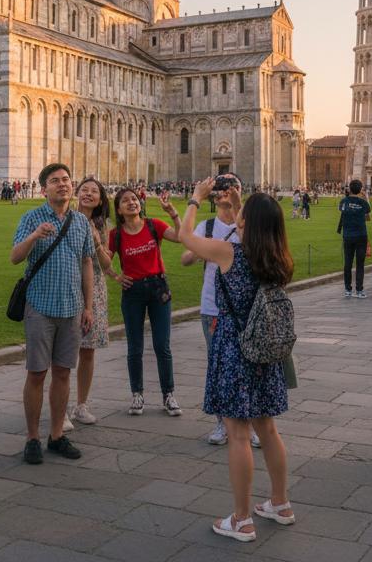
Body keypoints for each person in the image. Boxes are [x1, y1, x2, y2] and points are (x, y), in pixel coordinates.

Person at [178, 178, 294, 543]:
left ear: (247, 222)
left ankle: (241, 519)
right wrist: (245, 207)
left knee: (238, 434)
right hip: (264, 347)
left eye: (243, 213)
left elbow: (185, 238)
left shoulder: (230, 253)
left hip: (234, 346)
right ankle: (280, 503)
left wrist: (195, 200)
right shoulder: (278, 256)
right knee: (268, 429)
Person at [11, 163, 95, 465]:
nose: (62, 184)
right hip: (40, 307)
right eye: (55, 181)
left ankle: (57, 434)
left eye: (66, 180)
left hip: (72, 308)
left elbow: (87, 262)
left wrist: (88, 306)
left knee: (62, 373)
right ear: (43, 188)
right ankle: (32, 438)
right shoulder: (31, 217)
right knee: (36, 373)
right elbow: (14, 257)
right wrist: (34, 236)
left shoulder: (81, 222)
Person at [180, 173, 259, 446]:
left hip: (246, 310)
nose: (225, 191)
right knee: (218, 367)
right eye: (221, 187)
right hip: (213, 307)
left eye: (231, 186)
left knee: (250, 367)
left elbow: (254, 248)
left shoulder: (249, 225)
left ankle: (252, 423)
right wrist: (196, 199)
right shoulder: (208, 226)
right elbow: (185, 256)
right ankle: (222, 422)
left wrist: (240, 206)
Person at [109, 186, 184, 417]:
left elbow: (180, 237)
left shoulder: (154, 225)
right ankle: (137, 394)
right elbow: (104, 259)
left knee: (162, 345)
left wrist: (173, 213)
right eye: (126, 201)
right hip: (133, 292)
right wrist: (116, 276)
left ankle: (168, 394)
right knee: (135, 347)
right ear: (119, 210)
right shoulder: (117, 235)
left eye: (134, 199)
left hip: (158, 288)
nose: (132, 203)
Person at [69, 178, 114, 426]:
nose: (88, 194)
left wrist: (96, 240)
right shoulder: (65, 218)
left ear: (100, 199)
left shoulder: (101, 224)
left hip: (94, 290)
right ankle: (61, 408)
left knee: (87, 351)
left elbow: (107, 264)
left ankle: (81, 405)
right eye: (84, 190)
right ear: (76, 194)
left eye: (94, 191)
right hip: (68, 287)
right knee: (64, 351)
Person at [338, 180, 370, 298]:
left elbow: (341, 212)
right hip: (361, 235)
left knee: (348, 263)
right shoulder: (363, 203)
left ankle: (348, 289)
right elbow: (368, 215)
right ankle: (359, 290)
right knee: (360, 264)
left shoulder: (343, 202)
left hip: (348, 235)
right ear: (360, 189)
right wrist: (365, 197)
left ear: (349, 189)